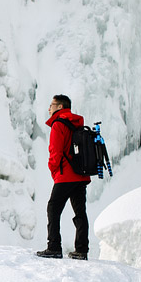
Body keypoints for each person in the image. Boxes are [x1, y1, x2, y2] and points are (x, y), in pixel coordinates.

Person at [36, 94, 90, 260]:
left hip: (65, 175)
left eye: (51, 105)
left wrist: (54, 170)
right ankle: (81, 250)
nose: (49, 108)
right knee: (80, 212)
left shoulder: (59, 124)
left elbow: (56, 151)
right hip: (81, 175)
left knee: (53, 209)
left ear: (60, 107)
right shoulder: (77, 123)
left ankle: (54, 247)